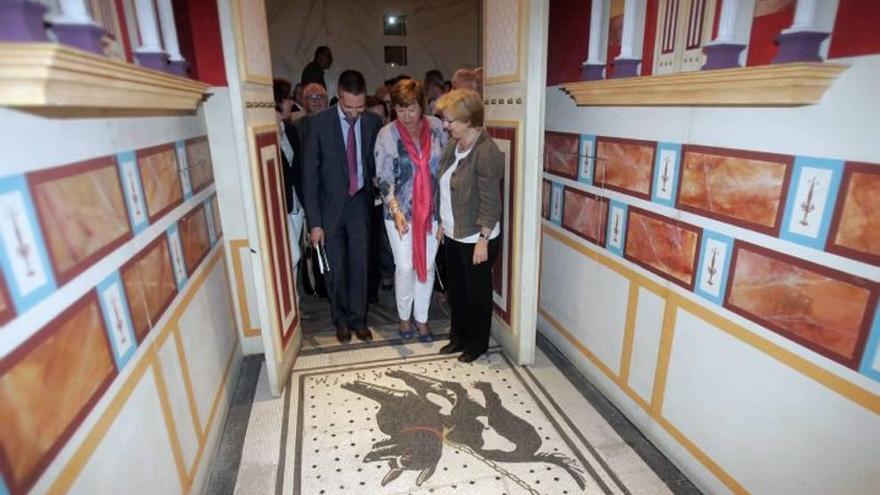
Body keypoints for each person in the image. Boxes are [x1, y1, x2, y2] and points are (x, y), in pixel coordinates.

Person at [302, 70, 382, 343]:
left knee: (360, 264)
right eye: (349, 107)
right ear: (338, 96)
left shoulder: (373, 121)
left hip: (360, 203)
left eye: (360, 108)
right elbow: (309, 177)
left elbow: (375, 163)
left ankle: (359, 318)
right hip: (329, 209)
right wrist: (314, 222)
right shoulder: (318, 124)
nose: (354, 114)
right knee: (335, 267)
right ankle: (341, 319)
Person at [375, 80, 448, 342]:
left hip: (432, 212)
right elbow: (383, 179)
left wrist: (445, 215)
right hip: (400, 212)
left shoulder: (438, 128)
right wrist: (395, 211)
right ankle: (404, 317)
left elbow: (446, 170)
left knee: (427, 267)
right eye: (400, 109)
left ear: (422, 105)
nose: (406, 116)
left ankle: (422, 319)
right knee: (405, 266)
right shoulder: (387, 134)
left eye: (412, 109)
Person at [434, 89, 502, 363]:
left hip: (476, 236)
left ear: (469, 120)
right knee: (457, 291)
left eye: (450, 120)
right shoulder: (455, 145)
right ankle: (457, 337)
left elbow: (490, 201)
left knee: (477, 295)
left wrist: (484, 239)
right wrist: (442, 222)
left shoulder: (487, 151)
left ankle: (477, 344)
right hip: (453, 232)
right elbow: (445, 186)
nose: (445, 125)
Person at [274, 78, 305, 281]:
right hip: (279, 203)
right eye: (287, 99)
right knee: (292, 256)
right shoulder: (265, 132)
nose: (291, 104)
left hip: (296, 201)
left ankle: (295, 305)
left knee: (294, 258)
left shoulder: (290, 129)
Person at [365, 96, 395, 301]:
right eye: (373, 116)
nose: (377, 121)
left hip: (389, 199)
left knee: (386, 240)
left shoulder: (391, 137)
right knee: (372, 240)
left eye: (381, 116)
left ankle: (387, 275)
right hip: (368, 199)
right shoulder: (364, 138)